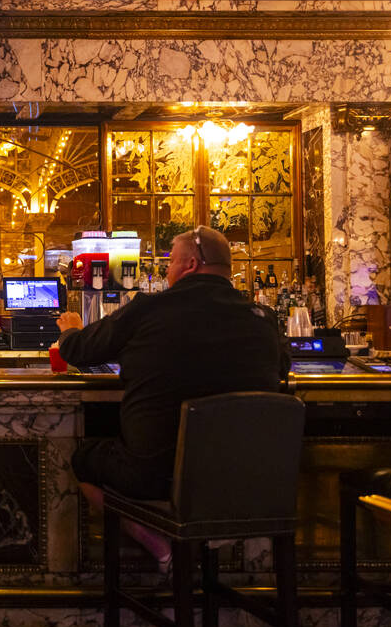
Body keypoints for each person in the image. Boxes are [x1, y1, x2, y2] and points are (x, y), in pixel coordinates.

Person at [55, 225, 288, 572]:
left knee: (83, 460)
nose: (167, 271)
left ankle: (160, 546)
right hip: (246, 476)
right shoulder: (263, 318)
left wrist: (70, 329)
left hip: (155, 473)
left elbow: (80, 351)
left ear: (191, 264)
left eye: (170, 263)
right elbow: (283, 370)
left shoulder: (149, 309)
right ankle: (218, 558)